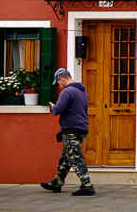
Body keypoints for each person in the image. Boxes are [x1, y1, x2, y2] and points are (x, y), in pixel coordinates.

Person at [40, 68, 96, 196]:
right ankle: (56, 182)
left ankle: (87, 186)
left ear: (62, 79)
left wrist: (53, 106)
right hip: (81, 129)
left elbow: (58, 110)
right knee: (65, 158)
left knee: (75, 158)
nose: (59, 86)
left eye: (58, 83)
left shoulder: (67, 92)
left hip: (71, 129)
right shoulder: (82, 92)